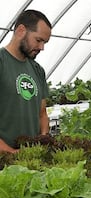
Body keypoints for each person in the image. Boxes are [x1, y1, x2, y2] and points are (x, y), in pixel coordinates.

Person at [0, 9, 52, 153]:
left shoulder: (38, 70)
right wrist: (11, 152)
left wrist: (43, 139)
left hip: (30, 160)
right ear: (21, 30)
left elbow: (42, 114)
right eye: (38, 40)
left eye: (45, 42)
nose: (42, 47)